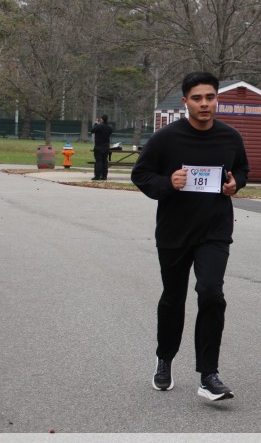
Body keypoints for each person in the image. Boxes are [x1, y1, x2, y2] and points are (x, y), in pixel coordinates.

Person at [131, 71, 250, 402]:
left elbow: (242, 169)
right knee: (173, 298)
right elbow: (140, 174)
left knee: (211, 293)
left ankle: (208, 375)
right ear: (185, 102)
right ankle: (164, 359)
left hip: (214, 231)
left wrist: (235, 184)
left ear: (217, 99)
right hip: (175, 231)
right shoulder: (166, 138)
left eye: (210, 97)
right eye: (197, 98)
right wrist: (168, 183)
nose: (204, 104)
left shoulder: (230, 137)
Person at [89, 115, 113, 181]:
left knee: (98, 161)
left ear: (102, 119)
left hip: (98, 146)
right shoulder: (110, 127)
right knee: (105, 161)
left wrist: (96, 123)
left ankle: (97, 176)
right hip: (106, 146)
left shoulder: (99, 126)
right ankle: (104, 176)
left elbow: (92, 130)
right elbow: (110, 130)